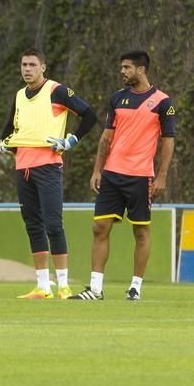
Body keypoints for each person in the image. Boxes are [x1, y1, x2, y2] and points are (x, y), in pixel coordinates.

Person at [69, 51, 175, 301]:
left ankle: (135, 287)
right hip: (112, 174)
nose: (122, 72)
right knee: (99, 227)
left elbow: (168, 141)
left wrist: (161, 176)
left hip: (141, 176)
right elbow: (106, 138)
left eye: (127, 67)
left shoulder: (162, 102)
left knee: (140, 231)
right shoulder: (117, 99)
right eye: (122, 67)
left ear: (141, 69)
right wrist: (97, 170)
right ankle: (95, 289)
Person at [0, 48, 97, 299]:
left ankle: (63, 285)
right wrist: (4, 142)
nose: (27, 69)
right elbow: (8, 128)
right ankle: (43, 286)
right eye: (24, 64)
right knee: (33, 225)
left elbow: (89, 115)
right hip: (23, 167)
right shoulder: (20, 95)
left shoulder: (57, 90)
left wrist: (71, 140)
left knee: (53, 224)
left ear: (43, 67)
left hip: (48, 165)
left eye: (32, 64)